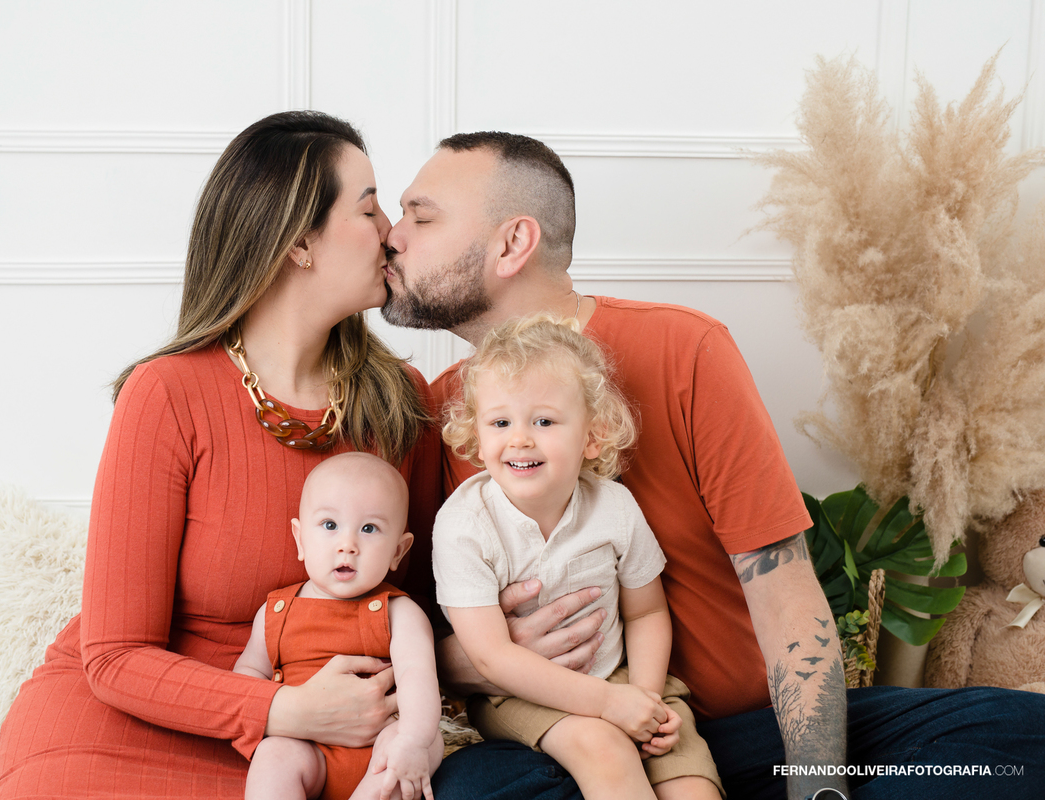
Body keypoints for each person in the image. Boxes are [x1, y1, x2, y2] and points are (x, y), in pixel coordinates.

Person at [382, 132, 1045, 800]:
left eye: (420, 215)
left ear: (511, 243)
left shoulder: (683, 347)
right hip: (558, 744)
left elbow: (784, 592)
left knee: (1019, 734)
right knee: (469, 789)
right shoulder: (437, 411)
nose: (394, 235)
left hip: (741, 735)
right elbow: (406, 630)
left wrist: (818, 785)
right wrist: (481, 658)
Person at [0, 111, 443, 799]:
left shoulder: (399, 402)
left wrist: (511, 658)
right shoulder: (167, 393)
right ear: (299, 242)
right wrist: (284, 708)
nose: (392, 235)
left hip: (316, 751)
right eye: (370, 210)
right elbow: (112, 657)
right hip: (125, 724)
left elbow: (422, 609)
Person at [432, 314, 723, 800]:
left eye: (543, 421)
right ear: (476, 436)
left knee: (686, 772)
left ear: (592, 435)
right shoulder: (464, 526)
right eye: (500, 422)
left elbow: (647, 610)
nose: (520, 438)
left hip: (623, 674)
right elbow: (492, 657)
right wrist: (608, 705)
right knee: (602, 746)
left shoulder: (613, 506)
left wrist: (644, 700)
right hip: (518, 690)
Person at [234, 452, 443, 800]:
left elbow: (419, 680)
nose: (348, 545)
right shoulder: (276, 611)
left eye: (369, 528)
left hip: (381, 744)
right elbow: (248, 676)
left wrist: (411, 740)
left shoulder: (400, 613)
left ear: (398, 551)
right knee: (274, 757)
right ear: (300, 540)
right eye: (330, 525)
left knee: (423, 742)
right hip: (306, 746)